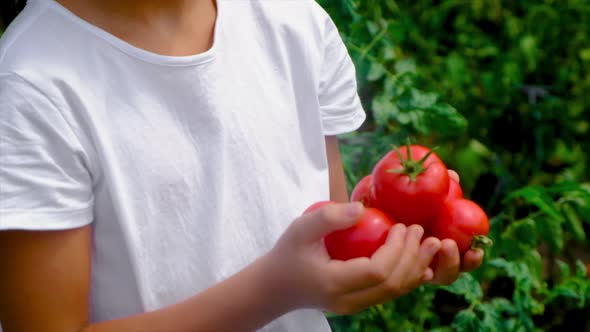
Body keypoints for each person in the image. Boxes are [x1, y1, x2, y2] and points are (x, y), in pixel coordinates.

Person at [0, 0, 484, 331]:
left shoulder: (292, 19)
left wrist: (400, 227)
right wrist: (276, 289)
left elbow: (327, 231)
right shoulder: (31, 88)